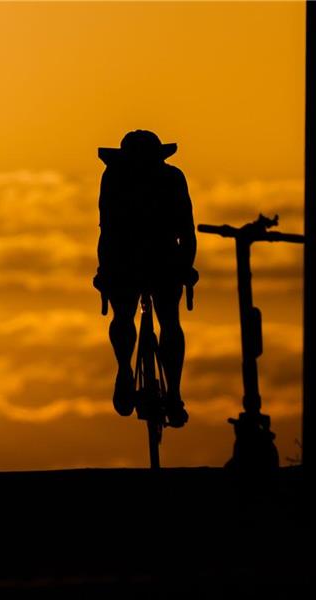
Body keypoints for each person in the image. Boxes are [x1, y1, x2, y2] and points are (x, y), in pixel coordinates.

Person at [94, 130, 197, 427]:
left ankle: (127, 373)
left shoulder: (114, 175)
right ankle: (171, 393)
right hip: (159, 260)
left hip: (130, 259)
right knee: (168, 321)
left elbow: (108, 229)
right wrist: (186, 266)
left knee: (126, 316)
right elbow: (186, 231)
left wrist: (105, 269)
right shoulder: (171, 177)